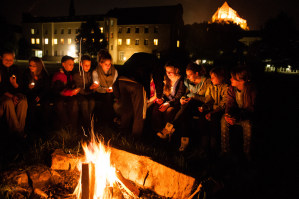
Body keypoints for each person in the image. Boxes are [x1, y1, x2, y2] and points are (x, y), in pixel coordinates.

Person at [113, 52, 164, 138]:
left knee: (126, 111)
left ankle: (122, 134)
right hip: (137, 84)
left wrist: (117, 91)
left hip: (122, 81)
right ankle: (135, 138)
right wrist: (159, 96)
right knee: (139, 113)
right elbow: (158, 78)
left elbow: (123, 68)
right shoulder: (156, 62)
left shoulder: (136, 56)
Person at [221, 66, 257, 160]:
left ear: (241, 80)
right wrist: (228, 115)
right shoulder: (232, 89)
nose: (230, 79)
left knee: (248, 125)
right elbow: (229, 104)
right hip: (235, 115)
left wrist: (237, 117)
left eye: (233, 77)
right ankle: (225, 151)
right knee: (224, 121)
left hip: (245, 116)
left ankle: (247, 153)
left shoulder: (251, 90)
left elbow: (251, 109)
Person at [175, 62, 212, 151]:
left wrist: (194, 97)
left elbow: (207, 99)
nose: (188, 77)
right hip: (190, 106)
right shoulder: (189, 82)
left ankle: (172, 129)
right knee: (186, 110)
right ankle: (184, 142)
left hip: (202, 107)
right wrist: (183, 98)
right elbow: (186, 94)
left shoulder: (206, 82)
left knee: (187, 108)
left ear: (196, 73)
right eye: (187, 75)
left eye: (190, 75)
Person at [197, 67, 228, 155]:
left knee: (214, 119)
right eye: (211, 77)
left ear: (221, 77)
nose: (211, 79)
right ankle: (204, 144)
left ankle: (214, 146)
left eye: (213, 77)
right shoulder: (211, 87)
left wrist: (212, 112)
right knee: (202, 117)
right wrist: (204, 107)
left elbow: (224, 104)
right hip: (212, 109)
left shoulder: (226, 88)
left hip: (221, 111)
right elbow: (209, 100)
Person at [152, 61, 186, 140]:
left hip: (175, 103)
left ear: (176, 70)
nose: (168, 74)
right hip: (166, 102)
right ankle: (157, 131)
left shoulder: (181, 81)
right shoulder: (166, 79)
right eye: (167, 72)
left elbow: (178, 97)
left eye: (170, 72)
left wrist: (168, 104)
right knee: (156, 108)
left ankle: (167, 133)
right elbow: (164, 93)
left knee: (169, 111)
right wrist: (162, 99)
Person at [0, 50, 28, 136]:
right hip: (3, 95)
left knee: (23, 101)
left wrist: (15, 84)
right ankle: (17, 133)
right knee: (8, 103)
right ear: (1, 58)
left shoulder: (16, 69)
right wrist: (11, 96)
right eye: (6, 59)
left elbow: (21, 87)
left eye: (11, 60)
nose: (8, 62)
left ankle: (19, 130)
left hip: (15, 94)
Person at [51, 55, 80, 130]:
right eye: (70, 64)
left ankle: (73, 127)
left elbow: (71, 85)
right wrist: (70, 92)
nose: (72, 66)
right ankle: (66, 126)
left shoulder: (70, 74)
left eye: (73, 64)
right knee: (60, 104)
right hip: (59, 96)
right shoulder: (58, 75)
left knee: (74, 102)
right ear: (63, 64)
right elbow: (58, 91)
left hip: (68, 95)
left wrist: (74, 89)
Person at [22, 57, 50, 132]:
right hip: (30, 94)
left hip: (42, 95)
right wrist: (29, 87)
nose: (31, 67)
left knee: (46, 106)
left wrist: (40, 96)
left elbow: (46, 88)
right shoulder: (27, 73)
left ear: (39, 66)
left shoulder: (44, 74)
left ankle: (44, 128)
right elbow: (23, 88)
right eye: (30, 65)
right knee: (31, 106)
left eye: (33, 66)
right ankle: (30, 128)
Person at [92, 50, 117, 124]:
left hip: (110, 92)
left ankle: (108, 120)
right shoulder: (95, 72)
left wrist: (112, 89)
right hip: (99, 92)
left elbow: (114, 84)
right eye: (106, 64)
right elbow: (97, 86)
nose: (108, 66)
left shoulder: (114, 71)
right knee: (105, 98)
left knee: (109, 96)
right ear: (100, 63)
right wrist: (104, 89)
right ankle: (102, 120)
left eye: (109, 64)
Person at [73, 55, 96, 131]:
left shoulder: (90, 74)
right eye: (85, 65)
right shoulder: (77, 75)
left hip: (89, 94)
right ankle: (88, 125)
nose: (87, 67)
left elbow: (93, 86)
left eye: (89, 65)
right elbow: (79, 88)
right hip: (80, 94)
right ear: (81, 64)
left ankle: (87, 122)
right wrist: (89, 88)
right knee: (84, 102)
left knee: (92, 102)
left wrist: (94, 88)